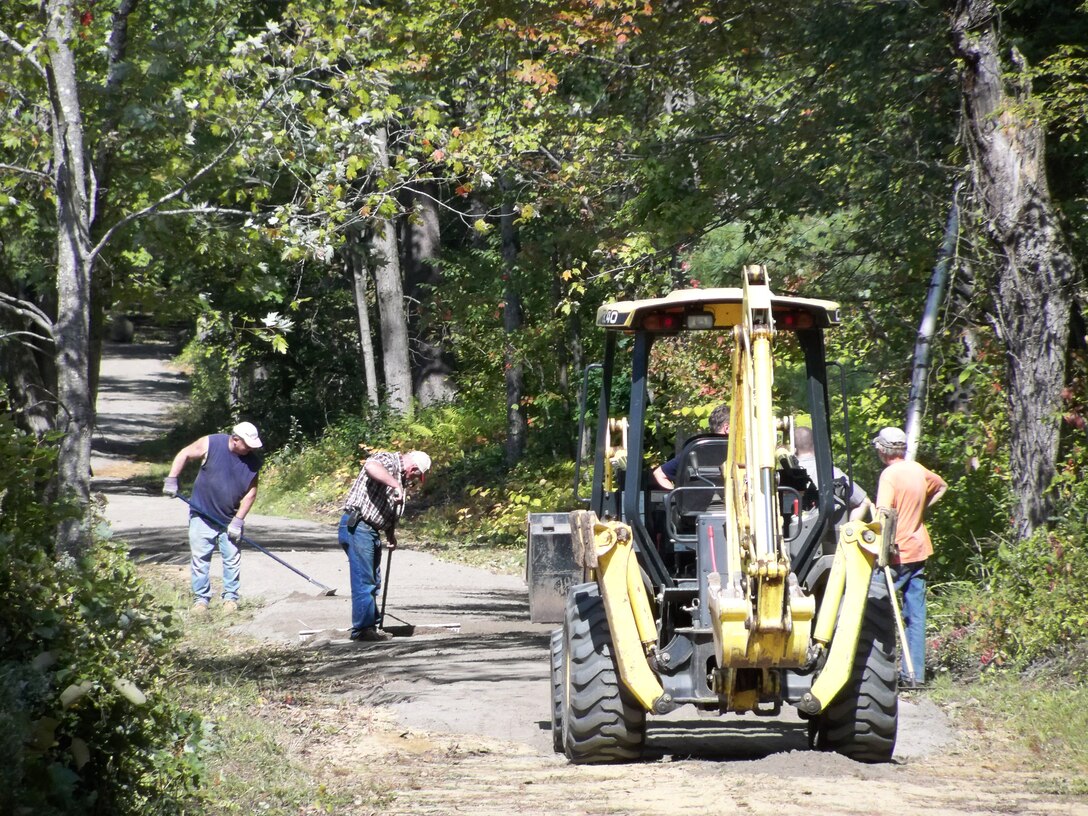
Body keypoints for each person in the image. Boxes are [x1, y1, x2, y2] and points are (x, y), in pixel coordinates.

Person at [873, 426, 948, 688]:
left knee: (872, 608)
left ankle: (875, 672)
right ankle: (914, 675)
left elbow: (883, 515)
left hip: (897, 553)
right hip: (919, 549)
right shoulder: (917, 469)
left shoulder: (889, 476)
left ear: (883, 450)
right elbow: (941, 487)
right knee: (915, 614)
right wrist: (919, 511)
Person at [163, 421, 264, 616]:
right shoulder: (212, 443)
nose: (251, 449)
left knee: (232, 559)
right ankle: (201, 601)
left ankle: (230, 599)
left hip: (229, 519)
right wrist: (172, 479)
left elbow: (251, 493)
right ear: (235, 440)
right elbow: (184, 453)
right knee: (200, 560)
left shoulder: (253, 463)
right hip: (201, 514)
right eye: (248, 445)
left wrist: (238, 521)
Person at [339, 449, 432, 641]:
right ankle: (363, 630)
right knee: (364, 580)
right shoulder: (388, 460)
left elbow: (388, 509)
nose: (413, 480)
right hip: (358, 526)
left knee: (374, 581)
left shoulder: (400, 480)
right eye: (416, 475)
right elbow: (371, 466)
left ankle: (371, 626)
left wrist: (390, 534)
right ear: (413, 468)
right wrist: (395, 483)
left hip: (371, 531)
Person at [793, 425, 872, 522]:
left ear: (793, 447)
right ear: (815, 444)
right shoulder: (830, 472)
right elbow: (865, 502)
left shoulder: (783, 475)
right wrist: (849, 528)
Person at [652, 403, 730, 490]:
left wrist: (677, 499)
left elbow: (659, 473)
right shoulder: (739, 452)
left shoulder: (697, 449)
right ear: (727, 428)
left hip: (698, 503)